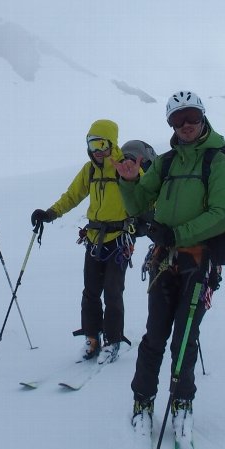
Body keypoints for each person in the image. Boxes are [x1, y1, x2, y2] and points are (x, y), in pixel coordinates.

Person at [114, 91, 225, 443]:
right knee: (154, 335)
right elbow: (140, 203)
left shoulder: (219, 162)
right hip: (164, 262)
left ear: (202, 118)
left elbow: (223, 213)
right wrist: (128, 181)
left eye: (191, 117)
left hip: (198, 264)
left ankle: (182, 402)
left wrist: (177, 233)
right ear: (170, 123)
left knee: (185, 339)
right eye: (177, 120)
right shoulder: (167, 163)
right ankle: (143, 401)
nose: (185, 125)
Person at [30, 119, 137, 362]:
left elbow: (145, 194)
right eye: (92, 144)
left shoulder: (126, 167)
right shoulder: (89, 170)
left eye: (101, 144)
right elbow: (72, 196)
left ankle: (112, 340)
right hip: (93, 240)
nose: (97, 150)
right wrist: (50, 213)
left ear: (112, 143)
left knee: (112, 292)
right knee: (90, 292)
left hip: (119, 240)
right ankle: (92, 337)